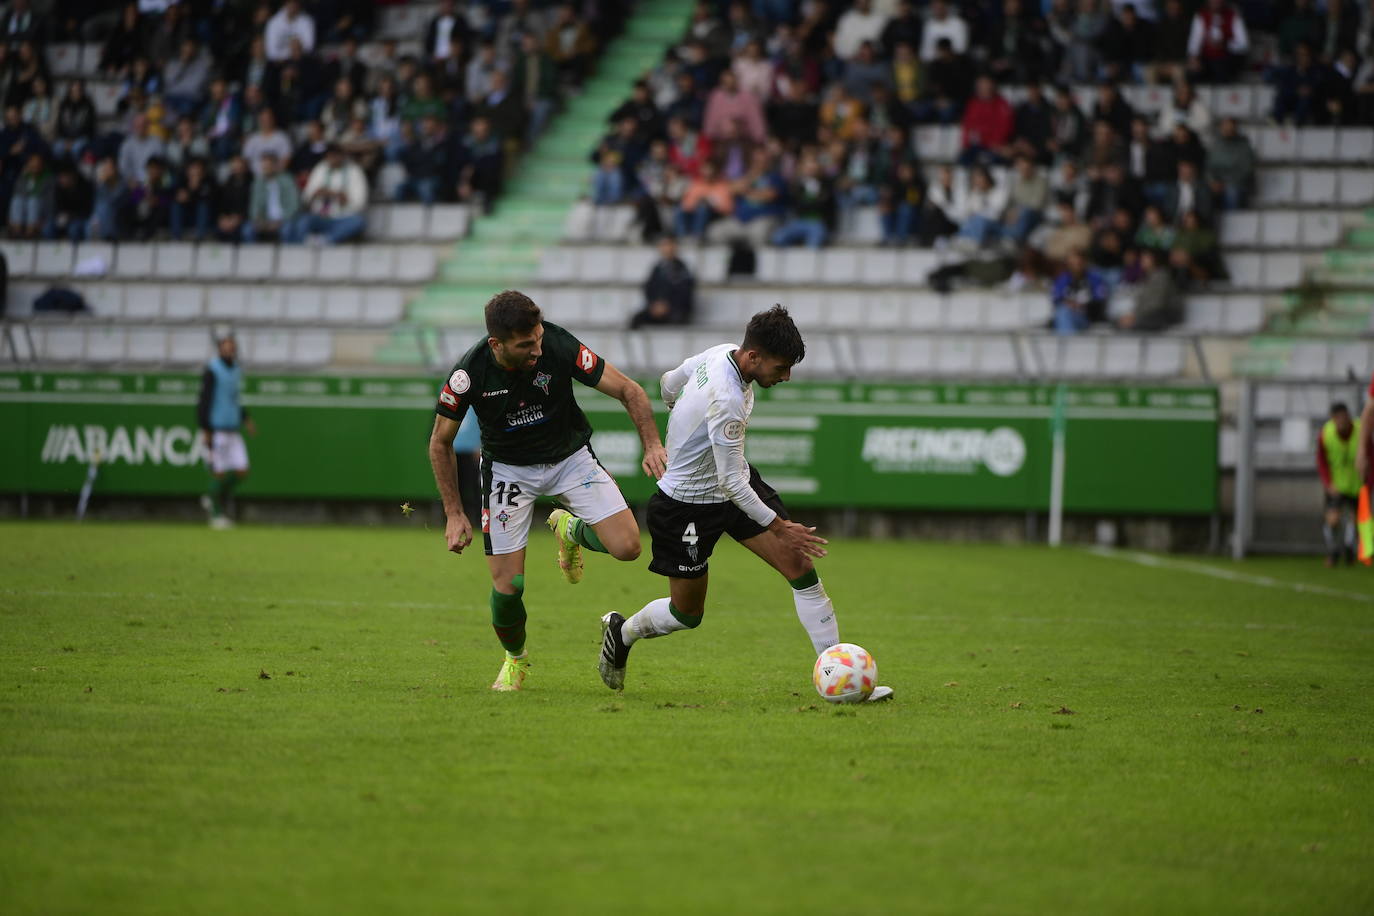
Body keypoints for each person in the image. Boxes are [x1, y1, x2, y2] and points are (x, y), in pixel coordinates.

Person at [594, 306, 893, 702]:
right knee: (687, 614)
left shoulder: (722, 351)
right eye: (781, 367)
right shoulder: (727, 397)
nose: (785, 377)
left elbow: (669, 383)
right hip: (688, 505)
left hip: (731, 486)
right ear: (753, 357)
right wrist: (778, 525)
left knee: (800, 566)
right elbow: (730, 480)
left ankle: (834, 671)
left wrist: (679, 414)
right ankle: (623, 631)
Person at [426, 290, 668, 692]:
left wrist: (653, 444)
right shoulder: (468, 375)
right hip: (508, 472)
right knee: (509, 588)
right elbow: (439, 442)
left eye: (538, 337)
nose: (537, 348)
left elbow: (630, 390)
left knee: (628, 547)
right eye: (526, 344)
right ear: (496, 345)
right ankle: (515, 659)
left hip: (570, 459)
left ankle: (570, 530)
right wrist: (454, 512)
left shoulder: (557, 344)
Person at [197, 334, 256, 530]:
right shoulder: (212, 370)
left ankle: (212, 496)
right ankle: (215, 514)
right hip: (217, 429)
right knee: (219, 472)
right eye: (226, 347)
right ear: (220, 349)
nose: (229, 350)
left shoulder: (236, 371)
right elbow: (204, 400)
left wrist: (245, 418)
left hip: (233, 429)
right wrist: (205, 428)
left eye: (232, 347)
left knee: (242, 470)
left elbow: (234, 398)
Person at [285, 144, 367, 243]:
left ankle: (326, 240)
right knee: (304, 221)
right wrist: (315, 194)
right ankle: (299, 246)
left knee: (358, 222)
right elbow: (306, 197)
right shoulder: (320, 168)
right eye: (329, 156)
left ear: (342, 156)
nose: (333, 159)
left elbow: (360, 203)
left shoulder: (354, 171)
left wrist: (342, 198)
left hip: (342, 217)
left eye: (336, 156)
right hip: (321, 216)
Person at [1317, 402, 1362, 567]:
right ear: (1333, 419)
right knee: (1333, 519)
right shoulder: (1326, 433)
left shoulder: (1360, 429)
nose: (1341, 421)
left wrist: (1368, 480)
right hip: (1336, 485)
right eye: (1337, 418)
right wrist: (1328, 483)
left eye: (1344, 417)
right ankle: (1332, 551)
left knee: (1356, 520)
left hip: (1357, 484)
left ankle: (1349, 548)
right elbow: (1321, 461)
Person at [630, 235, 695, 328]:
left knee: (676, 319)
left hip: (675, 310)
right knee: (637, 319)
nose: (667, 248)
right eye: (664, 245)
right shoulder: (658, 268)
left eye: (669, 245)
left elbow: (685, 293)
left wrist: (667, 306)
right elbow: (649, 288)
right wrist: (654, 305)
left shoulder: (682, 269)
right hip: (656, 309)